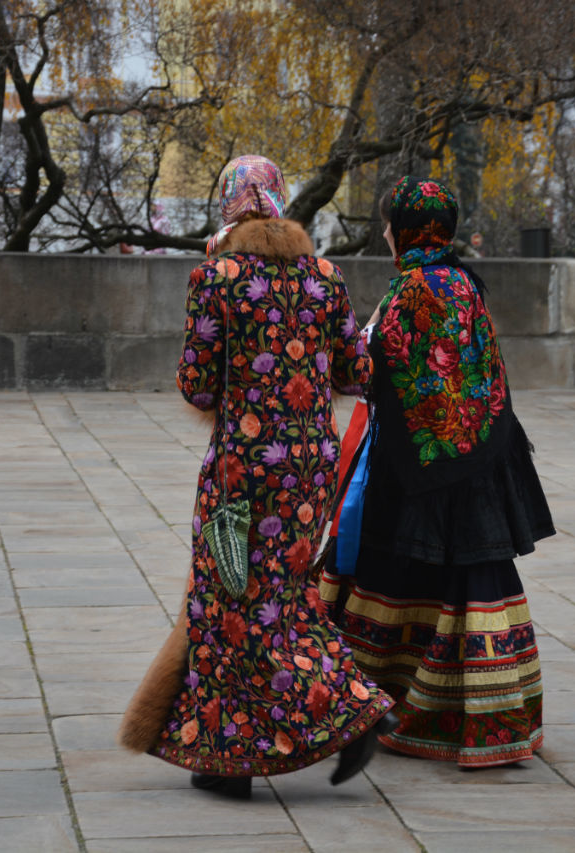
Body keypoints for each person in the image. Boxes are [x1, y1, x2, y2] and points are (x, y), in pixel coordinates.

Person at [121, 155, 394, 799]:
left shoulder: (214, 277)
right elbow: (359, 373)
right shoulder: (325, 275)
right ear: (278, 199)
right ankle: (246, 749)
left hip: (241, 475)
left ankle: (328, 720)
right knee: (286, 597)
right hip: (310, 472)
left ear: (231, 202)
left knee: (226, 602)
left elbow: (194, 382)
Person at [319, 176, 556, 769]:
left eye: (386, 226)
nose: (385, 235)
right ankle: (485, 714)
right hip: (477, 460)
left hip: (421, 470)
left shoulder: (412, 290)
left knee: (403, 568)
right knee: (464, 577)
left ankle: (395, 703)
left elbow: (367, 367)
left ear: (402, 229)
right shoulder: (463, 281)